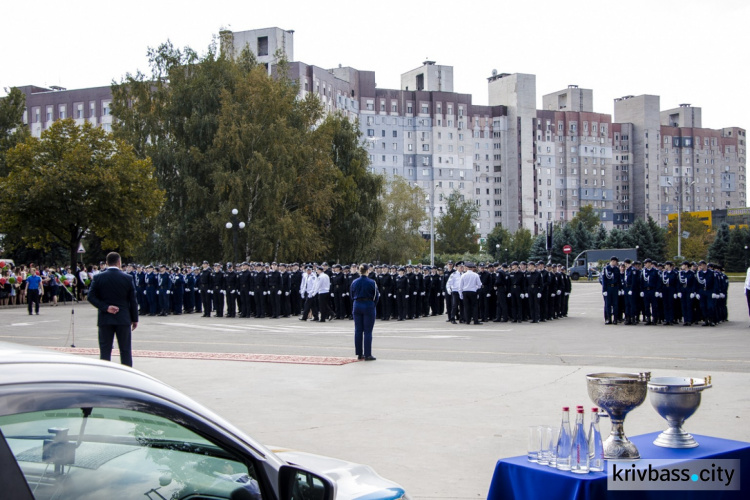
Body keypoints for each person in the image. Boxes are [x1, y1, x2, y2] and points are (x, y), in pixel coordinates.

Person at [87, 252, 139, 367]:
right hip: (123, 318)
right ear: (119, 262)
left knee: (105, 351)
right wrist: (135, 319)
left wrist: (105, 307)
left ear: (106, 263)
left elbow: (90, 297)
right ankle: (127, 375)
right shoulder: (127, 278)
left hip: (105, 318)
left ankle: (105, 375)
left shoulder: (98, 277)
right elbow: (133, 301)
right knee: (125, 350)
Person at [351, 264, 379, 361]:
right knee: (368, 331)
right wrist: (372, 305)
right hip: (368, 305)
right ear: (368, 271)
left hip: (357, 304)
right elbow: (376, 296)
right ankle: (367, 354)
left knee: (358, 330)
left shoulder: (354, 282)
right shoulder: (372, 282)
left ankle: (359, 353)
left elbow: (352, 294)